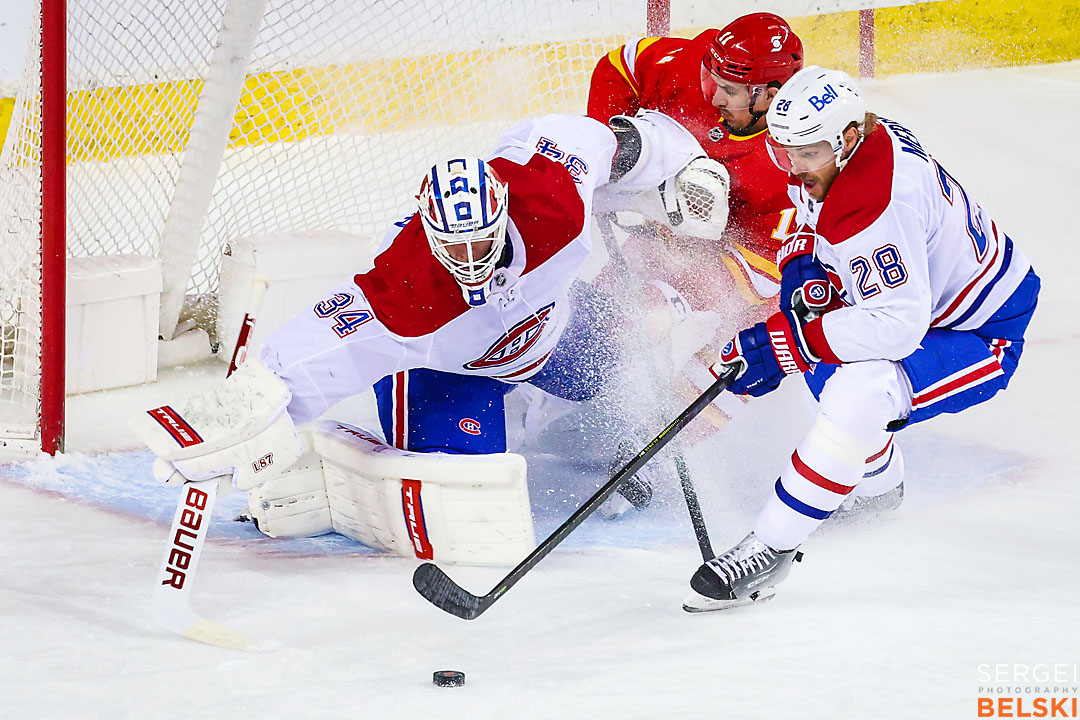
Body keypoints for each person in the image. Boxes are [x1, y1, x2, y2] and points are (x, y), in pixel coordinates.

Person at [133, 110, 729, 536]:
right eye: (456, 250)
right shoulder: (402, 293)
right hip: (452, 371)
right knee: (461, 517)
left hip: (552, 329)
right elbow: (303, 362)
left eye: (482, 245)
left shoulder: (551, 194)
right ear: (430, 233)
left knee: (638, 369)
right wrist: (243, 420)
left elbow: (612, 140)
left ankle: (549, 417)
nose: (473, 264)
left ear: (501, 210)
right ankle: (331, 470)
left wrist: (681, 168)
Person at [683, 66, 1040, 611]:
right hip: (924, 297)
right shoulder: (844, 145)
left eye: (808, 153)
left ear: (848, 138)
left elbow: (898, 326)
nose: (795, 168)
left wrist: (785, 343)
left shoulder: (875, 202)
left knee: (860, 392)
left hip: (979, 328)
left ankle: (771, 547)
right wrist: (804, 270)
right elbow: (811, 214)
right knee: (823, 361)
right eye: (785, 152)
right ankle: (876, 489)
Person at [585, 12, 806, 441]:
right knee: (606, 316)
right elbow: (621, 65)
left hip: (765, 281)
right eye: (711, 80)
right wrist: (605, 154)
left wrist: (676, 294)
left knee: (740, 354)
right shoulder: (697, 64)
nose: (714, 97)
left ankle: (655, 446)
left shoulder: (793, 161)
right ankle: (549, 401)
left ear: (770, 96)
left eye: (728, 91)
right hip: (670, 232)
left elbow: (765, 271)